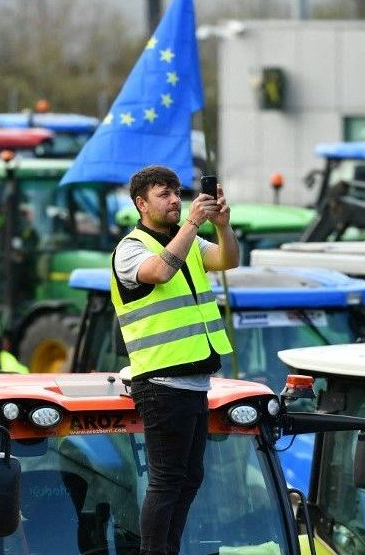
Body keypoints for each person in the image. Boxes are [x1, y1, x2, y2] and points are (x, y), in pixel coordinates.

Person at [111, 165, 239, 555]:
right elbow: (161, 272)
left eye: (176, 193)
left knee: (189, 477)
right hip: (161, 383)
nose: (174, 200)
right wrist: (192, 225)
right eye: (163, 194)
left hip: (193, 381)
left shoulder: (189, 243)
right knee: (167, 479)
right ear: (141, 203)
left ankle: (168, 548)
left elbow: (229, 260)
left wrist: (221, 225)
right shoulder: (131, 248)